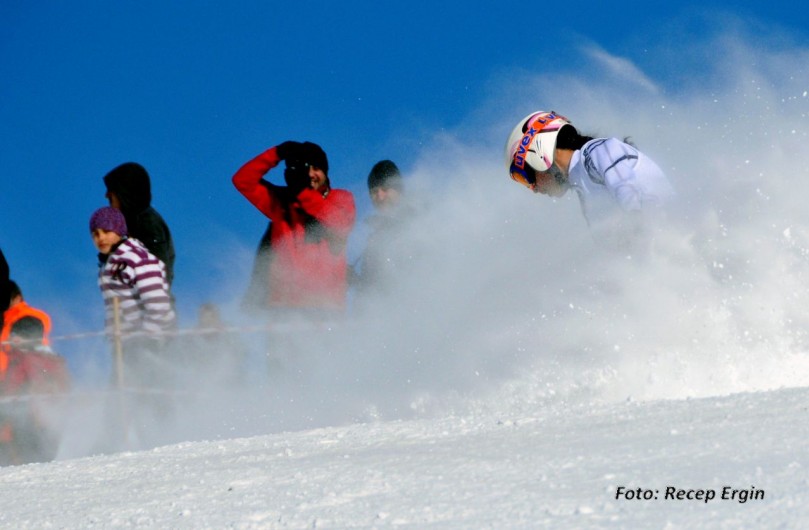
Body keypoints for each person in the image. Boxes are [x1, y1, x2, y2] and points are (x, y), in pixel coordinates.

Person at [505, 111, 674, 247]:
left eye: (524, 177)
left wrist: (641, 231)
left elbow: (629, 190)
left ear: (538, 153)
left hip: (671, 237)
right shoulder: (583, 188)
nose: (534, 189)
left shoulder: (596, 152)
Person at [232, 140, 356, 311]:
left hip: (326, 309)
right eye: (305, 169)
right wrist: (277, 153)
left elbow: (339, 223)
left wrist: (302, 193)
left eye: (316, 168)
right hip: (284, 310)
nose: (311, 175)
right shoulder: (282, 202)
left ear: (326, 172)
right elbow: (242, 180)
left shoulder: (340, 198)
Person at [89, 206, 176, 451]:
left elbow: (157, 302)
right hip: (125, 342)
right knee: (122, 394)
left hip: (144, 342)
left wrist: (147, 338)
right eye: (95, 233)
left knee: (138, 394)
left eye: (106, 231)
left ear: (119, 231)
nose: (101, 238)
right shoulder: (110, 263)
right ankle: (115, 443)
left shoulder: (134, 258)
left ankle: (157, 442)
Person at [103, 162, 176, 286]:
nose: (106, 195)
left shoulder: (148, 224)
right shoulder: (131, 224)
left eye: (112, 191)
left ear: (125, 194)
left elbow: (158, 270)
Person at [353, 160, 414, 298]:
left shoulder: (418, 221)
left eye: (385, 189)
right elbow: (373, 288)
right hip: (386, 314)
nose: (380, 197)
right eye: (374, 192)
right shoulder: (376, 236)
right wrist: (356, 280)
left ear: (398, 190)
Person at [0, 281, 53, 349]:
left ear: (17, 299)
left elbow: (30, 337)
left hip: (26, 357)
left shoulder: (27, 316)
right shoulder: (5, 318)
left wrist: (22, 337)